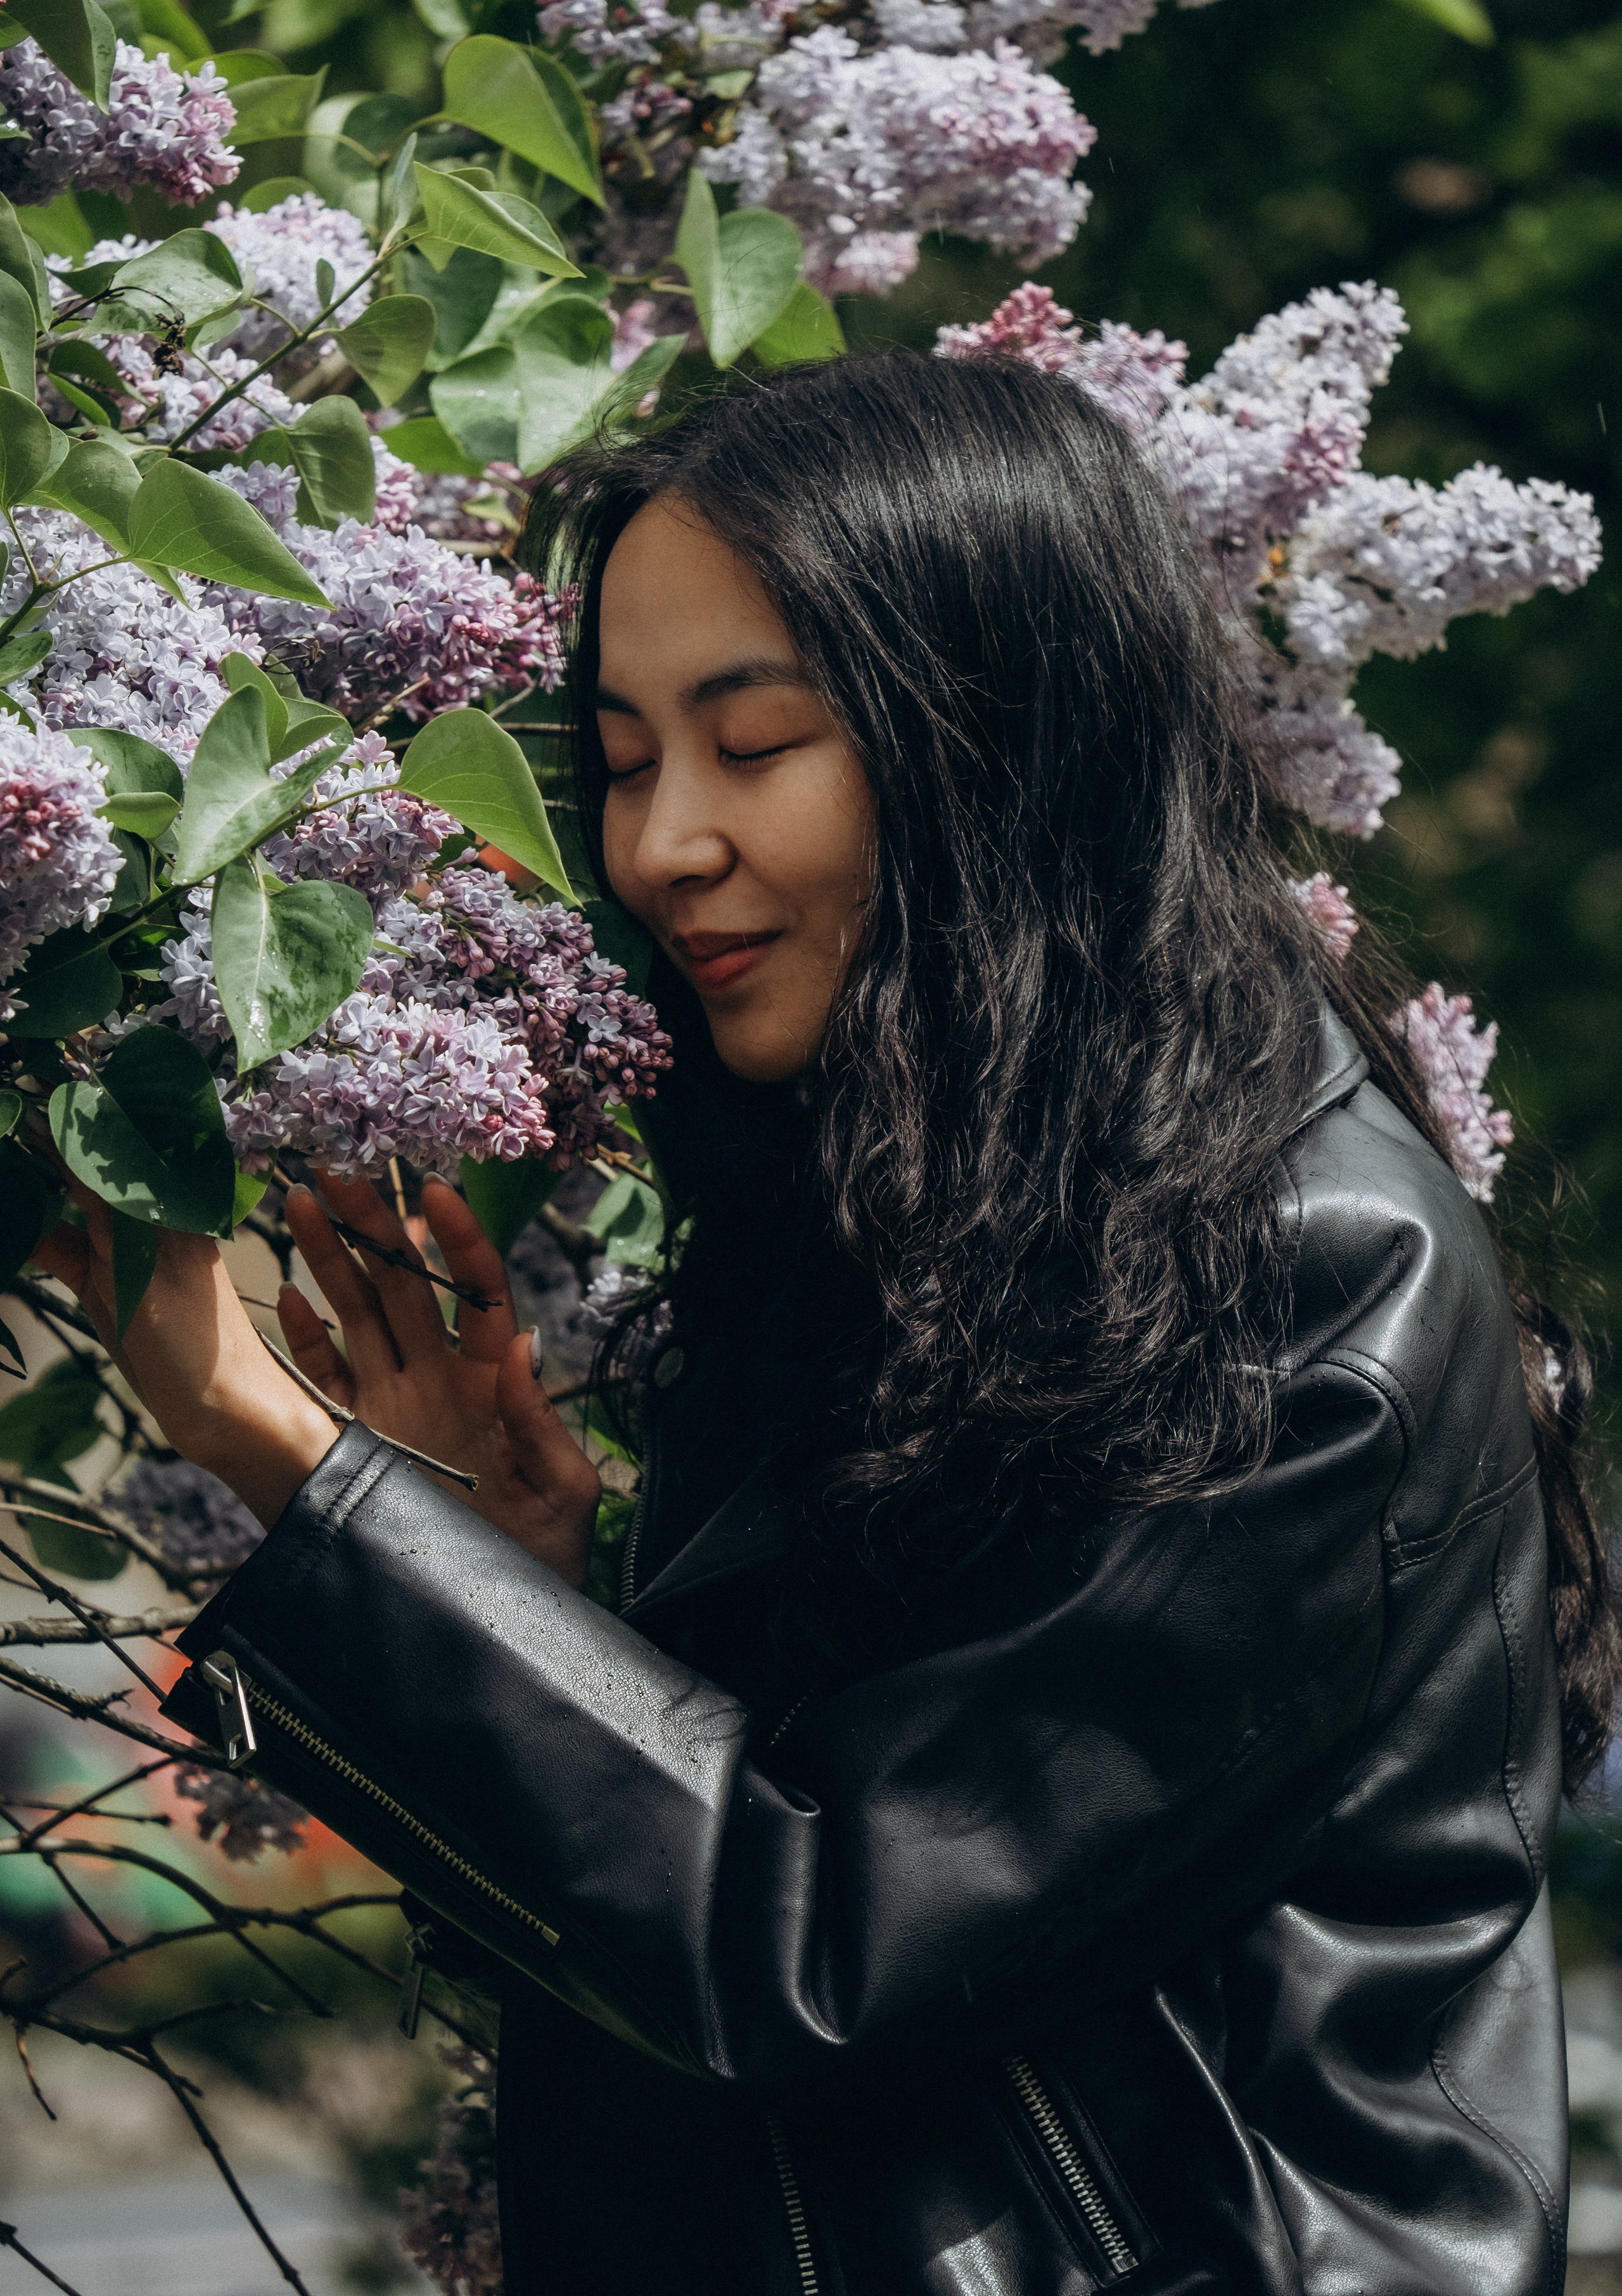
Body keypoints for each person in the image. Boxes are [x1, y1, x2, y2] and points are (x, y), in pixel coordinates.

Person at [35, 352, 1614, 2296]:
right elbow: (782, 1875)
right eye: (621, 760)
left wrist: (287, 1455)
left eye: (754, 741)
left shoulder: (1298, 1272)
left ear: (1002, 740)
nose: (658, 846)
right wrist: (520, 1592)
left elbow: (812, 1946)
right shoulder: (930, 1197)